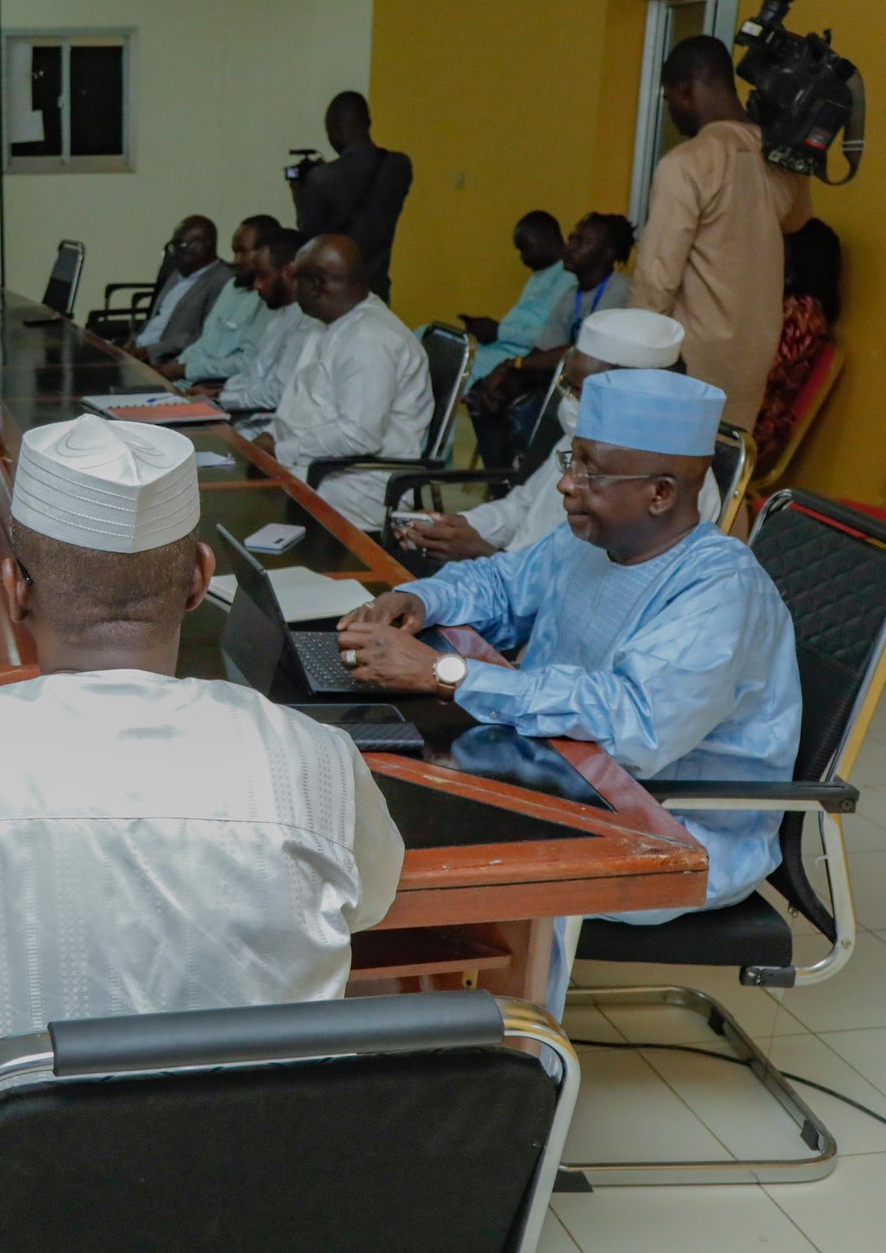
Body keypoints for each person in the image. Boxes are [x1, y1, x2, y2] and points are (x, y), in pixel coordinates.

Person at [0, 414, 405, 1251]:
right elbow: (373, 902)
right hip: (245, 1210)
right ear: (199, 579)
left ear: (16, 587)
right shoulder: (315, 760)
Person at [336, 368, 801, 1016]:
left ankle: (511, 1051)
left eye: (591, 470)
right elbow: (502, 583)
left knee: (428, 840)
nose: (564, 484)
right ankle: (401, 1008)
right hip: (563, 769)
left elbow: (634, 729)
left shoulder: (719, 592)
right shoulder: (596, 538)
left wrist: (449, 674)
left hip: (671, 827)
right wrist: (418, 598)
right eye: (570, 459)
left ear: (661, 493)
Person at [401, 309, 723, 564]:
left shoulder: (664, 483)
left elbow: (582, 599)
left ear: (633, 396)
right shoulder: (586, 439)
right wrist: (454, 528)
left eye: (579, 390)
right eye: (565, 386)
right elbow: (519, 509)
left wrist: (483, 554)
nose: (566, 399)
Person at [630, 36, 814, 428]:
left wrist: (630, 355)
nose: (670, 112)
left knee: (664, 474)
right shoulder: (777, 161)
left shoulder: (686, 163)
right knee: (721, 474)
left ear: (685, 91)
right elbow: (798, 220)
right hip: (753, 354)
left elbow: (656, 279)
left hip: (691, 361)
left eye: (668, 99)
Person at [252, 235, 432, 529]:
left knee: (237, 509)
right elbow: (300, 403)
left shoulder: (371, 338)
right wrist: (271, 435)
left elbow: (358, 436)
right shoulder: (325, 323)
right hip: (311, 465)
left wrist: (281, 451)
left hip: (352, 484)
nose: (291, 287)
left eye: (295, 279)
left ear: (315, 285)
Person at [469, 213, 637, 469]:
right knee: (487, 394)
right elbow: (544, 350)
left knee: (526, 404)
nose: (570, 246)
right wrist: (506, 371)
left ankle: (525, 475)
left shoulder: (620, 291)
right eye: (572, 238)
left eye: (581, 242)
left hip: (600, 393)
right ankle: (503, 481)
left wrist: (515, 364)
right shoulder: (572, 295)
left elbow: (583, 352)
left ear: (606, 254)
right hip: (565, 380)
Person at [290, 91, 413, 302]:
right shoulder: (399, 165)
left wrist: (299, 194)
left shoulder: (322, 178)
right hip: (377, 289)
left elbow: (309, 234)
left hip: (335, 294)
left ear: (336, 129)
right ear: (368, 122)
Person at [198, 228, 318, 436]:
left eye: (263, 276)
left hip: (262, 429)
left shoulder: (307, 322)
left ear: (288, 272)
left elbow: (278, 394)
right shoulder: (279, 314)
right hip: (240, 416)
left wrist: (222, 400)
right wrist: (218, 394)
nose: (257, 285)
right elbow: (254, 374)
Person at [754, 217, 842, 463]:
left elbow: (759, 371)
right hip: (752, 421)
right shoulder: (807, 313)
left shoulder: (798, 316)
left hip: (751, 430)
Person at [156, 213, 279, 383]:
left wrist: (186, 370)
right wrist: (177, 364)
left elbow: (245, 363)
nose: (235, 260)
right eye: (234, 251)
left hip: (215, 385)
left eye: (242, 252)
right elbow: (205, 341)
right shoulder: (232, 286)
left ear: (265, 253)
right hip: (185, 379)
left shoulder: (268, 300)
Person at [459, 211, 574, 386]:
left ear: (548, 236)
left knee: (455, 364)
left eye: (526, 248)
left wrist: (499, 331)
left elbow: (550, 338)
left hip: (523, 354)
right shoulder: (540, 273)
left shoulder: (568, 278)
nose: (522, 257)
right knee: (427, 336)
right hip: (501, 344)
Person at [125, 215, 236, 362]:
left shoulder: (222, 280)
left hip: (164, 360)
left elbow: (201, 337)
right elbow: (155, 321)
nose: (174, 252)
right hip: (137, 352)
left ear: (203, 245)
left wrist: (147, 352)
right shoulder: (177, 273)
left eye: (180, 245)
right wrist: (132, 343)